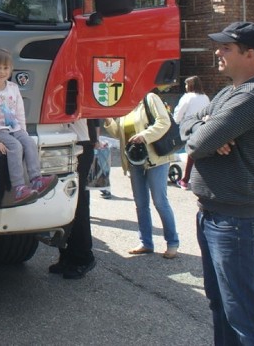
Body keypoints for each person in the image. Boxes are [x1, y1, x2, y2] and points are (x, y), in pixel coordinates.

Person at [181, 22, 254, 345]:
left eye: (226, 48)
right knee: (221, 306)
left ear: (250, 54)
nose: (217, 52)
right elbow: (185, 128)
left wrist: (206, 132)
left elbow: (195, 144)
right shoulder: (228, 92)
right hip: (213, 216)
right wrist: (207, 127)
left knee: (244, 314)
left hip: (236, 222)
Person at [103, 90, 180, 259]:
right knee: (141, 203)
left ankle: (172, 242)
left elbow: (164, 122)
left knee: (160, 201)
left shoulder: (149, 98)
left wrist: (144, 136)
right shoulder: (125, 106)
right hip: (135, 160)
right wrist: (108, 118)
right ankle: (146, 242)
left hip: (156, 159)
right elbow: (119, 133)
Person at [0, 46, 56, 203]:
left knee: (28, 142)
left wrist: (24, 132)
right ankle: (19, 188)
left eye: (5, 68)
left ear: (11, 69)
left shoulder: (13, 88)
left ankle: (36, 179)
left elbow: (20, 112)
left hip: (15, 128)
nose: (1, 72)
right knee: (16, 147)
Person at [49, 118, 99, 279]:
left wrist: (95, 140)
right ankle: (67, 255)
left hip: (81, 142)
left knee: (79, 202)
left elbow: (95, 116)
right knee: (63, 200)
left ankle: (83, 257)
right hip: (64, 139)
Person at [173, 76, 210, 189]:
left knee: (191, 154)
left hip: (189, 127)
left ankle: (185, 180)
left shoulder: (187, 97)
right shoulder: (205, 97)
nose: (185, 86)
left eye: (186, 84)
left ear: (190, 85)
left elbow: (179, 113)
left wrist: (175, 121)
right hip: (203, 126)